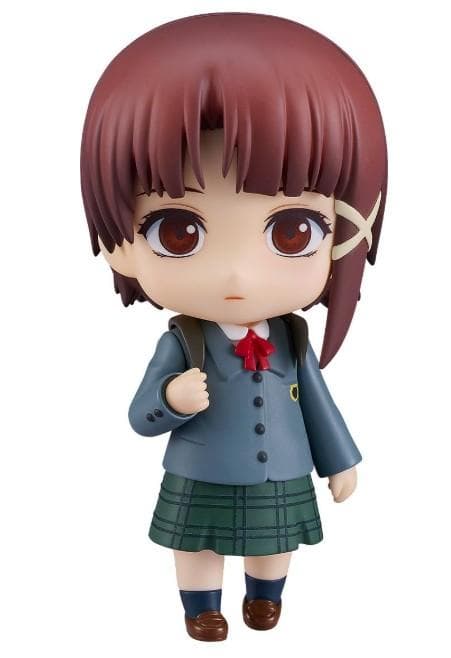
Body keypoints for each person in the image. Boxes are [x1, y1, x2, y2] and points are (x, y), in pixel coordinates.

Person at [80, 12, 388, 642]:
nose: (238, 273)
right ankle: (201, 607)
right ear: (121, 245)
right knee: (194, 543)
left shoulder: (293, 340)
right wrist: (171, 399)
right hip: (201, 469)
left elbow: (319, 406)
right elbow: (140, 415)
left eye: (292, 230)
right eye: (178, 231)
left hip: (283, 468)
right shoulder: (183, 341)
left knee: (276, 542)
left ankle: (265, 598)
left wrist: (340, 461)